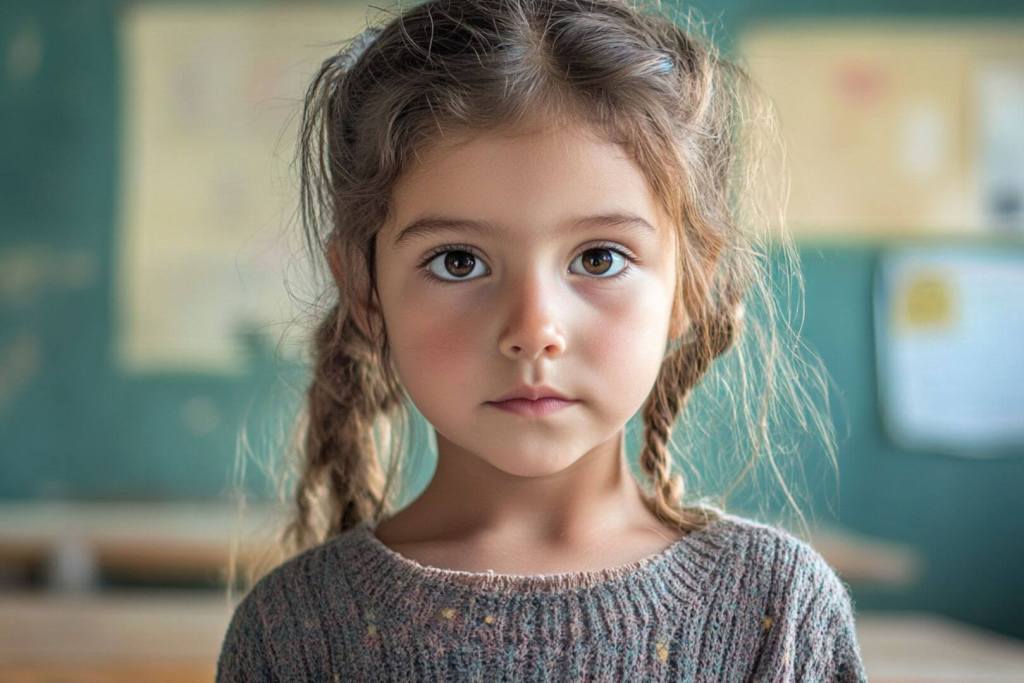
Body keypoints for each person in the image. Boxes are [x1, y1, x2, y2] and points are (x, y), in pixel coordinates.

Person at [217, 0, 868, 679]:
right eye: (458, 261)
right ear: (365, 292)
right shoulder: (294, 629)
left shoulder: (776, 609)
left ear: (690, 286)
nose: (533, 331)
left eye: (599, 259)